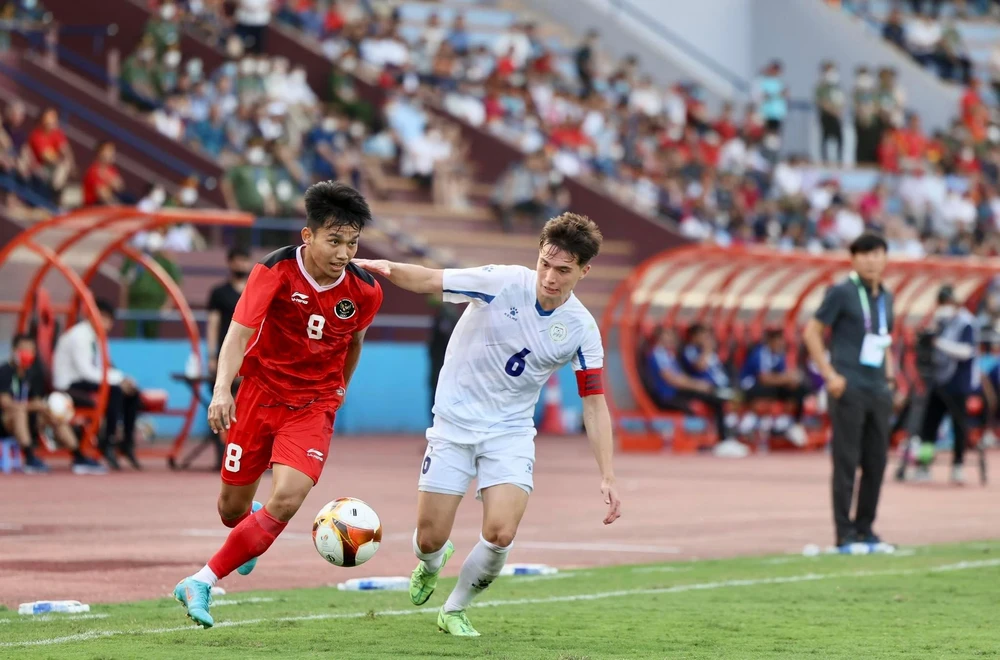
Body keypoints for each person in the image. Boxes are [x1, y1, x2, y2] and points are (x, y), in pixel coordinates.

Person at [353, 213, 622, 638]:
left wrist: (607, 474)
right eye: (545, 265)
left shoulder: (582, 330)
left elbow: (594, 403)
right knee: (428, 538)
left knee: (501, 532)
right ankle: (431, 562)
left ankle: (455, 608)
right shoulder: (502, 282)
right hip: (453, 425)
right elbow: (431, 279)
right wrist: (385, 269)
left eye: (563, 270)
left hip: (510, 433)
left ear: (584, 271)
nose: (549, 277)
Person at [172, 181, 383, 629]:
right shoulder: (274, 271)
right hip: (260, 394)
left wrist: (339, 389)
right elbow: (239, 333)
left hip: (313, 403)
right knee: (231, 510)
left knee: (287, 498)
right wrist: (221, 389)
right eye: (335, 241)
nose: (345, 252)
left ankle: (201, 580)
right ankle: (245, 529)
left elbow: (354, 343)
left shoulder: (365, 291)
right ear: (308, 237)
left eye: (352, 243)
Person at [803, 232, 896, 549]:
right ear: (853, 259)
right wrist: (830, 375)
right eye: (865, 254)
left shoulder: (887, 296)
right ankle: (843, 534)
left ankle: (865, 529)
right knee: (846, 461)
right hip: (849, 386)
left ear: (885, 258)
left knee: (877, 462)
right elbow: (811, 332)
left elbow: (885, 340)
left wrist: (891, 378)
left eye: (877, 253)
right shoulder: (842, 292)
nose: (872, 260)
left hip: (878, 389)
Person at [52, 298, 143, 471]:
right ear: (94, 316)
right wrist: (117, 381)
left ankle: (127, 442)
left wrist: (122, 378)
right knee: (114, 391)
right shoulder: (79, 336)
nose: (108, 324)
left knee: (132, 392)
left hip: (87, 381)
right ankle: (107, 441)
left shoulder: (97, 337)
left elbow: (102, 367)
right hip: (69, 385)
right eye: (105, 318)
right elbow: (86, 371)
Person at [0, 334, 106, 474]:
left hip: (31, 420)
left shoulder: (34, 374)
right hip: (6, 421)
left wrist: (46, 408)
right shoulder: (5, 371)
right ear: (14, 351)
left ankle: (78, 455)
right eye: (23, 350)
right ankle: (30, 457)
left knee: (52, 413)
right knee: (19, 411)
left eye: (30, 350)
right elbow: (5, 402)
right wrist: (31, 406)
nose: (27, 354)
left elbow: (38, 401)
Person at [643, 325, 746, 458]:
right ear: (658, 337)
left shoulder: (668, 354)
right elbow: (672, 379)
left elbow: (682, 377)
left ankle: (728, 438)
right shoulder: (658, 354)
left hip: (678, 391)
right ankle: (724, 440)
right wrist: (698, 385)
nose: (672, 338)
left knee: (719, 397)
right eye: (667, 335)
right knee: (717, 399)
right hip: (669, 395)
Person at [913, 285, 979, 484]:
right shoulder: (940, 322)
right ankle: (924, 465)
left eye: (947, 303)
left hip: (958, 383)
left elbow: (967, 352)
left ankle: (958, 465)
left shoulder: (967, 323)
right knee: (929, 425)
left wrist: (939, 342)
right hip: (937, 380)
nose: (944, 307)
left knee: (959, 425)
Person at [739, 328, 812, 447]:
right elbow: (764, 379)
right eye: (778, 341)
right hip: (751, 388)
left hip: (771, 387)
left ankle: (794, 424)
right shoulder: (760, 353)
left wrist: (791, 381)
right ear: (770, 341)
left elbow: (781, 376)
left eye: (782, 341)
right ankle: (755, 424)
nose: (781, 344)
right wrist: (787, 379)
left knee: (799, 389)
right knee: (780, 386)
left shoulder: (779, 355)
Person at [207, 247, 252, 377]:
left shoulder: (255, 292)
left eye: (244, 261)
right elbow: (213, 325)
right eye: (238, 261)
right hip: (226, 350)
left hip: (250, 351)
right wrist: (212, 356)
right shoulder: (219, 293)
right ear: (230, 263)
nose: (241, 265)